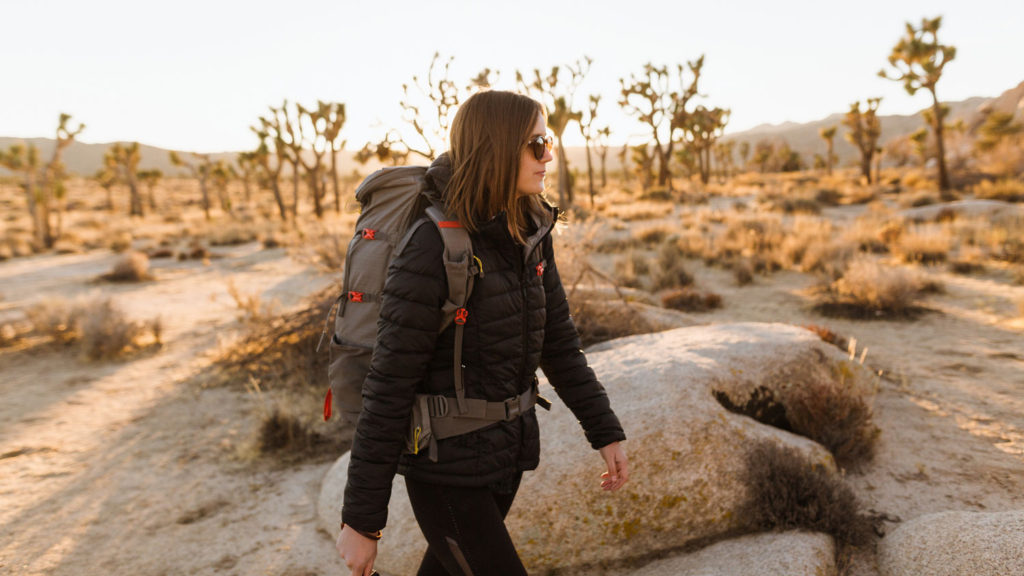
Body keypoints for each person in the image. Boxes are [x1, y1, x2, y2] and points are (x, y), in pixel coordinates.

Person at [336, 89, 629, 576]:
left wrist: (605, 431)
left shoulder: (530, 230)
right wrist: (361, 522)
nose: (548, 155)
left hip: (504, 456)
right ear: (498, 147)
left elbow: (558, 345)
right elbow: (388, 386)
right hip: (445, 469)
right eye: (536, 143)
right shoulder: (432, 246)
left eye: (548, 141)